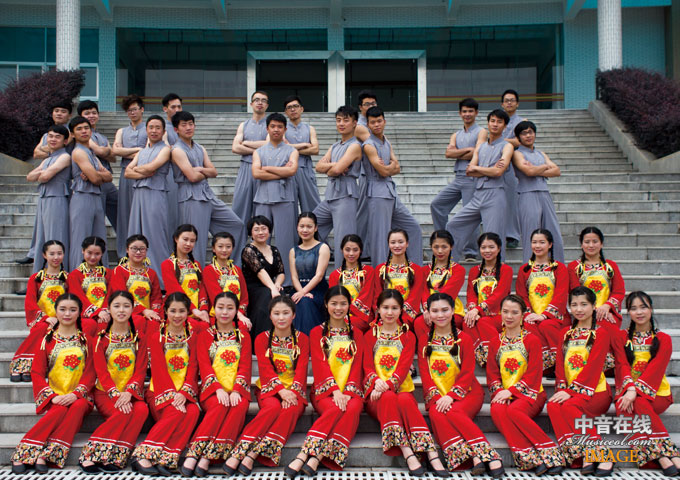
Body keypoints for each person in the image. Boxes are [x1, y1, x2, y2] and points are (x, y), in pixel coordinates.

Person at [419, 293, 502, 477]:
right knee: (436, 413)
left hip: (467, 393)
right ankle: (473, 457)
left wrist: (451, 396)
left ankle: (490, 455)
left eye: (445, 310)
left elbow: (467, 372)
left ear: (453, 311)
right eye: (435, 311)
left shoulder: (464, 338)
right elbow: (424, 373)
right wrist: (439, 397)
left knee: (453, 412)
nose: (440, 315)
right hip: (437, 394)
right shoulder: (424, 340)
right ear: (428, 313)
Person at [224, 296, 310, 474]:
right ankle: (240, 451)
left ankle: (252, 454)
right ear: (270, 316)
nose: (281, 318)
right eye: (276, 313)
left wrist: (291, 392)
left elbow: (301, 370)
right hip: (269, 389)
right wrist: (281, 391)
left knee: (291, 409)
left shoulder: (302, 339)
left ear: (294, 315)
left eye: (286, 313)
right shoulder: (261, 339)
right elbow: (265, 369)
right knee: (272, 408)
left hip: (294, 391)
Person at [285, 286, 364, 475]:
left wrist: (348, 392)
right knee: (336, 408)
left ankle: (315, 456)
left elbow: (357, 367)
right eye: (334, 303)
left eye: (343, 304)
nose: (338, 308)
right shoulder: (316, 333)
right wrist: (335, 391)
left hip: (352, 391)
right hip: (325, 391)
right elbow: (320, 365)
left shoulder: (358, 334)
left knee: (352, 409)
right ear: (326, 305)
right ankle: (305, 454)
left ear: (349, 305)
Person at [364, 289, 443, 476]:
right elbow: (367, 366)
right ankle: (407, 451)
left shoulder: (408, 336)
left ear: (401, 310)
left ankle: (430, 451)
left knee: (406, 400)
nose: (389, 312)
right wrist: (377, 383)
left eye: (394, 308)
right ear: (378, 309)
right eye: (385, 308)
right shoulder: (370, 335)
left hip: (400, 390)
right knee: (388, 397)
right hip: (376, 395)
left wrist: (387, 385)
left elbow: (403, 367)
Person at [11, 294, 94, 472]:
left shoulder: (87, 341)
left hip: (81, 396)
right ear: (55, 311)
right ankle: (25, 452)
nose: (67, 314)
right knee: (59, 410)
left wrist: (76, 394)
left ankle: (46, 454)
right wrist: (52, 396)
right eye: (62, 309)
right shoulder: (47, 340)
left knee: (79, 406)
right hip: (56, 395)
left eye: (73, 310)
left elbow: (90, 372)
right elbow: (37, 372)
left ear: (79, 313)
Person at [486, 295, 565, 474]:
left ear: (523, 315)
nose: (509, 316)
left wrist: (511, 392)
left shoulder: (532, 340)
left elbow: (534, 375)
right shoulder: (495, 342)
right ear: (500, 313)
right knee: (497, 409)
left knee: (514, 410)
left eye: (515, 312)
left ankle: (551, 452)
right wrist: (500, 392)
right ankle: (528, 457)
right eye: (505, 311)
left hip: (531, 394)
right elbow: (492, 374)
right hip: (505, 393)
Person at [182, 292, 252, 477]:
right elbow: (204, 366)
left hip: (238, 389)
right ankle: (194, 453)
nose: (225, 312)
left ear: (236, 311)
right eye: (220, 307)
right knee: (220, 405)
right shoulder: (205, 335)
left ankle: (207, 457)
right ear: (214, 309)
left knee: (238, 407)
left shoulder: (243, 336)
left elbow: (245, 366)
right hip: (212, 389)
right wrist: (218, 388)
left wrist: (236, 390)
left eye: (230, 308)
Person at [78, 290, 148, 473]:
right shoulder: (100, 339)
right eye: (116, 306)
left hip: (131, 393)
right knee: (124, 413)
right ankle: (89, 454)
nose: (121, 310)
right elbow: (101, 373)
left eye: (126, 306)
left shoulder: (139, 338)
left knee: (142, 410)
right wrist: (117, 395)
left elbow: (140, 370)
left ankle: (118, 455)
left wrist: (128, 393)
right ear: (108, 309)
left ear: (132, 309)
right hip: (106, 393)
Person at [131, 293, 200, 476]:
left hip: (184, 392)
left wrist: (184, 393)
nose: (177, 315)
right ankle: (142, 454)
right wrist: (173, 396)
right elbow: (159, 371)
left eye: (182, 311)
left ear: (188, 313)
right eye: (173, 311)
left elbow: (193, 367)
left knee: (193, 411)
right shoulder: (157, 337)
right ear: (166, 312)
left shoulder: (193, 337)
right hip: (159, 392)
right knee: (176, 412)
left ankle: (167, 457)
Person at [547, 286, 613, 475]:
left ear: (593, 306)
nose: (579, 309)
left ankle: (601, 453)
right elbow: (560, 366)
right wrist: (562, 389)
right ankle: (577, 454)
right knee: (552, 406)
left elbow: (593, 367)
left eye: (584, 304)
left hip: (596, 392)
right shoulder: (565, 333)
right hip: (571, 392)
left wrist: (569, 392)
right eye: (574, 305)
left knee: (569, 407)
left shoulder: (600, 333)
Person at [612, 292, 680, 475]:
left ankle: (663, 454)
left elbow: (656, 369)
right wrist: (630, 389)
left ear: (651, 308)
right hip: (628, 391)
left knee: (639, 402)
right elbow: (621, 365)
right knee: (623, 409)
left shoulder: (663, 339)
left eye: (643, 307)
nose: (639, 312)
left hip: (657, 394)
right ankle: (664, 456)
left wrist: (635, 391)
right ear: (628, 312)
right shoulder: (621, 337)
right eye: (633, 308)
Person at [171, 111, 245, 268]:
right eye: (184, 125)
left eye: (191, 124)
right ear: (176, 129)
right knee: (195, 238)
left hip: (207, 194)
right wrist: (204, 171)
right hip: (190, 196)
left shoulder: (200, 148)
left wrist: (199, 169)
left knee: (236, 224)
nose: (188, 127)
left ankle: (229, 267)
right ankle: (194, 274)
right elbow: (192, 177)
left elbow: (214, 172)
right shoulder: (177, 150)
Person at [447, 109, 514, 263]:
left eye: (499, 122)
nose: (495, 124)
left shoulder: (507, 146)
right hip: (478, 195)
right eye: (492, 121)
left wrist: (478, 168)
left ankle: (496, 270)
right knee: (453, 224)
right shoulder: (481, 146)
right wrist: (488, 169)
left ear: (505, 126)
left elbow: (498, 172)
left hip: (495, 195)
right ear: (488, 123)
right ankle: (451, 264)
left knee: (493, 237)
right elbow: (469, 171)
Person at [362, 106, 423, 265]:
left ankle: (415, 269)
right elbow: (383, 171)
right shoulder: (369, 145)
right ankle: (380, 274)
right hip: (376, 192)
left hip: (390, 192)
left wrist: (389, 167)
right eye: (373, 122)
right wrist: (390, 167)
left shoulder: (386, 141)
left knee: (413, 228)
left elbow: (397, 167)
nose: (376, 125)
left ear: (384, 121)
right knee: (380, 238)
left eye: (379, 121)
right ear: (367, 125)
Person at [430, 98, 487, 262]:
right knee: (437, 205)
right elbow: (448, 154)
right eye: (464, 111)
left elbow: (479, 152)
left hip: (472, 177)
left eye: (470, 111)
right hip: (458, 177)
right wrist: (468, 149)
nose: (467, 114)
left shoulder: (481, 132)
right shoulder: (456, 134)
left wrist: (459, 152)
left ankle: (470, 250)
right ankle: (443, 241)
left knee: (469, 213)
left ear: (476, 113)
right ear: (460, 113)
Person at [9, 241, 75, 381]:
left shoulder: (68, 278)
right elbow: (30, 304)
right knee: (42, 328)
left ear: (64, 255)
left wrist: (63, 318)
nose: (56, 257)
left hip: (64, 320)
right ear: (44, 255)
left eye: (59, 253)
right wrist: (45, 318)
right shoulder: (36, 278)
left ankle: (28, 365)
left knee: (50, 329)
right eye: (52, 254)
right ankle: (28, 364)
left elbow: (73, 302)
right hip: (42, 319)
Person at [18, 102, 73, 267]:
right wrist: (40, 173)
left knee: (55, 237)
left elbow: (44, 176)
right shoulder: (49, 158)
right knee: (42, 236)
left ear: (65, 141)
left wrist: (40, 173)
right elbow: (29, 177)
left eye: (57, 137)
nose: (53, 139)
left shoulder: (65, 157)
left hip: (57, 198)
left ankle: (57, 274)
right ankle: (42, 273)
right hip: (44, 198)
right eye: (50, 136)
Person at [313, 105, 363, 268]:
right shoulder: (335, 146)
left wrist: (332, 167)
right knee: (310, 226)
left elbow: (335, 170)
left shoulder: (355, 145)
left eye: (346, 120)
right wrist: (335, 166)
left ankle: (344, 276)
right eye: (338, 120)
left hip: (346, 195)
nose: (341, 123)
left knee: (345, 240)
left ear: (354, 123)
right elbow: (319, 167)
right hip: (330, 195)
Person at [252, 113, 299, 284]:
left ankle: (287, 281)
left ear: (285, 129)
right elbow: (256, 173)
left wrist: (267, 168)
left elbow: (291, 171)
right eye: (273, 126)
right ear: (267, 128)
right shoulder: (258, 151)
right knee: (260, 238)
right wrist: (281, 171)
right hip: (262, 198)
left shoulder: (292, 151)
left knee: (285, 241)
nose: (276, 129)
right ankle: (261, 279)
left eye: (280, 126)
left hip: (284, 198)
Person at [126, 115, 172, 283]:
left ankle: (161, 281)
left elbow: (153, 167)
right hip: (139, 195)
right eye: (151, 127)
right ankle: (137, 276)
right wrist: (143, 171)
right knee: (136, 232)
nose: (154, 131)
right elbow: (127, 173)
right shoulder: (141, 152)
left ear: (163, 131)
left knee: (155, 236)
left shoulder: (165, 149)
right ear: (146, 130)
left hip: (156, 192)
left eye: (158, 128)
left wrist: (138, 170)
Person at [516, 229, 569, 370]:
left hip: (555, 316)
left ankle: (558, 364)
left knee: (546, 325)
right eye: (534, 242)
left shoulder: (559, 268)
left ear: (550, 244)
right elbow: (522, 296)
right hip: (532, 315)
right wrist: (529, 314)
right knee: (528, 325)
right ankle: (543, 365)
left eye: (542, 242)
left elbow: (561, 294)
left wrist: (544, 315)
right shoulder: (525, 270)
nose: (537, 246)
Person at [512, 120, 564, 263]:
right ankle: (530, 269)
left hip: (544, 193)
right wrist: (545, 166)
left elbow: (557, 171)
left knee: (554, 232)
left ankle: (558, 268)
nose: (528, 136)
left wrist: (537, 169)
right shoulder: (517, 154)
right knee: (531, 233)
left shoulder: (541, 153)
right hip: (527, 194)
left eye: (530, 132)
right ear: (518, 137)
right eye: (524, 133)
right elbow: (528, 172)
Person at [69, 116, 112, 271]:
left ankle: (100, 275)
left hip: (96, 197)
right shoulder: (78, 152)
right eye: (79, 129)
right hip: (82, 197)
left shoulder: (91, 153)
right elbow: (95, 178)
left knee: (99, 239)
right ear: (72, 134)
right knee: (81, 239)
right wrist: (97, 175)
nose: (84, 131)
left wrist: (96, 174)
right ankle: (78, 276)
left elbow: (109, 176)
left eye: (86, 128)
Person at [463, 233, 513, 365]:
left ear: (499, 248)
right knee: (467, 322)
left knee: (483, 322)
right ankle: (484, 356)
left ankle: (496, 352)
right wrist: (472, 311)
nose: (487, 251)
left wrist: (478, 310)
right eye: (483, 247)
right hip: (479, 314)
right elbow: (471, 294)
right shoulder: (474, 271)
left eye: (491, 247)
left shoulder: (506, 270)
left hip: (499, 314)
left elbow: (499, 294)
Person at [568, 226, 625, 329]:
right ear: (581, 244)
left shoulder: (610, 266)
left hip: (607, 311)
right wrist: (590, 310)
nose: (591, 245)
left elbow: (619, 291)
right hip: (583, 313)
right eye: (587, 242)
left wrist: (607, 306)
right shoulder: (574, 267)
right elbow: (575, 293)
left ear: (601, 244)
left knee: (608, 328)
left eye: (595, 241)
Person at [112, 94, 147, 258]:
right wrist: (139, 150)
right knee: (125, 211)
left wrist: (125, 152)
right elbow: (115, 150)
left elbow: (149, 151)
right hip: (126, 174)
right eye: (129, 110)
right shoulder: (121, 131)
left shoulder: (149, 128)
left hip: (143, 173)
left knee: (142, 212)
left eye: (134, 109)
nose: (132, 113)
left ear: (142, 109)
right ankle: (124, 252)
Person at [241, 216, 285, 340]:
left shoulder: (274, 250)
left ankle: (281, 338)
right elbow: (260, 272)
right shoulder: (248, 250)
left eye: (264, 229)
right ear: (251, 233)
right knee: (268, 296)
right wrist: (273, 288)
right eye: (256, 230)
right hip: (254, 288)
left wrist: (277, 285)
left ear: (269, 231)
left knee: (282, 295)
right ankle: (262, 339)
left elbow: (281, 272)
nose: (261, 232)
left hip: (270, 286)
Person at [416, 230, 466, 339]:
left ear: (451, 247)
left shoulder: (458, 270)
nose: (440, 251)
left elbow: (449, 293)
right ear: (431, 247)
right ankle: (428, 348)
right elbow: (424, 292)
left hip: (451, 312)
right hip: (430, 311)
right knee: (419, 322)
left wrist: (433, 311)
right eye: (436, 247)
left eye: (444, 247)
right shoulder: (424, 270)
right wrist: (427, 310)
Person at [161, 224, 210, 331]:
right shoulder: (168, 264)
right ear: (176, 239)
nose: (188, 244)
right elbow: (174, 290)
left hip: (198, 312)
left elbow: (202, 288)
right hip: (178, 312)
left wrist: (204, 309)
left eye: (192, 241)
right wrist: (193, 310)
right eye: (185, 239)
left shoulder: (196, 264)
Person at [79, 100, 118, 231]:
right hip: (92, 180)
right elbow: (102, 152)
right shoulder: (82, 135)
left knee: (119, 210)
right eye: (87, 113)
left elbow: (113, 158)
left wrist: (103, 151)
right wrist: (105, 150)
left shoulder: (102, 137)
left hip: (107, 180)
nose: (91, 116)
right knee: (97, 218)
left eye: (94, 113)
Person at [109, 234, 163, 332]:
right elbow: (121, 296)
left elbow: (156, 298)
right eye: (134, 249)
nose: (138, 252)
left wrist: (154, 312)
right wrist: (143, 311)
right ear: (127, 249)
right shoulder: (119, 271)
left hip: (149, 313)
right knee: (138, 321)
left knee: (155, 323)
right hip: (126, 312)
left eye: (142, 249)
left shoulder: (151, 273)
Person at [373, 229, 425, 328]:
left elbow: (415, 296)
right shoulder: (380, 269)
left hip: (407, 315)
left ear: (407, 244)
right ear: (388, 244)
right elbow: (377, 295)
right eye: (393, 242)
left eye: (401, 242)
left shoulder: (416, 270)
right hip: (386, 314)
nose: (397, 246)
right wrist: (385, 312)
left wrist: (399, 314)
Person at [289, 212, 330, 336]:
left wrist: (303, 292)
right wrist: (301, 292)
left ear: (315, 228)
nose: (305, 230)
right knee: (300, 301)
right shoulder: (293, 251)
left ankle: (309, 340)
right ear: (297, 228)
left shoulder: (323, 247)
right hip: (298, 289)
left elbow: (319, 275)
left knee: (305, 302)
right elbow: (294, 276)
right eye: (302, 226)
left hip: (318, 290)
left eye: (309, 226)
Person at [232, 91, 269, 223]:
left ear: (267, 105)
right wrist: (259, 149)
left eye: (263, 100)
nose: (260, 103)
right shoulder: (244, 125)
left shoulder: (271, 125)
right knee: (240, 207)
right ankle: (239, 236)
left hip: (263, 168)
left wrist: (247, 143)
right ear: (251, 104)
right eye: (257, 100)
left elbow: (269, 145)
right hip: (245, 168)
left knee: (263, 209)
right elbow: (235, 147)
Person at [203, 232, 251, 330]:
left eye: (228, 247)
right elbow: (216, 296)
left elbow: (244, 298)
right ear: (213, 248)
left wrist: (240, 313)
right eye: (220, 246)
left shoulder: (237, 270)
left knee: (244, 326)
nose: (224, 250)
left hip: (237, 314)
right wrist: (236, 314)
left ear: (232, 248)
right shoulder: (209, 270)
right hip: (218, 315)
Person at [328, 234, 375, 332]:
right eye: (347, 250)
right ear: (342, 250)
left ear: (361, 251)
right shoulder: (335, 275)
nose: (351, 253)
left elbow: (367, 295)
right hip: (340, 313)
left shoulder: (368, 271)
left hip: (363, 315)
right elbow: (333, 299)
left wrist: (349, 308)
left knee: (346, 323)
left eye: (355, 250)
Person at [283, 95, 321, 213]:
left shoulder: (310, 129)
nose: (293, 109)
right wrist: (304, 145)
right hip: (288, 170)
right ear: (285, 112)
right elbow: (282, 148)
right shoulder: (282, 129)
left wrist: (292, 148)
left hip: (306, 170)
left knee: (313, 207)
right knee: (288, 208)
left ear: (302, 109)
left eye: (295, 106)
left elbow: (315, 150)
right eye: (289, 107)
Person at [67, 236, 113, 327]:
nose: (93, 257)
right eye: (89, 253)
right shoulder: (75, 275)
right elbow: (78, 297)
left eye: (97, 254)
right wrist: (97, 312)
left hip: (106, 314)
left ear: (102, 254)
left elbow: (111, 294)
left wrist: (104, 311)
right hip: (85, 316)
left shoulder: (108, 273)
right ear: (83, 251)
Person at [354, 91, 378, 255]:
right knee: (363, 211)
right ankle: (360, 249)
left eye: (373, 104)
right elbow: (374, 142)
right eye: (367, 104)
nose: (370, 107)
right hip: (365, 172)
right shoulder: (359, 126)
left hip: (378, 173)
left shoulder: (374, 122)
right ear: (360, 107)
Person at [500, 89, 522, 249]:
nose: (509, 103)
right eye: (506, 100)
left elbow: (520, 141)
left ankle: (512, 235)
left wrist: (501, 140)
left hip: (513, 165)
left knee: (511, 200)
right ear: (502, 104)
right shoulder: (498, 120)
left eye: (512, 100)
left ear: (517, 103)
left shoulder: (521, 122)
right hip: (496, 165)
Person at [161, 93, 182, 233]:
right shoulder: (163, 128)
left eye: (179, 107)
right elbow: (166, 150)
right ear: (165, 109)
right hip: (169, 174)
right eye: (173, 107)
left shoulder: (182, 128)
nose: (177, 110)